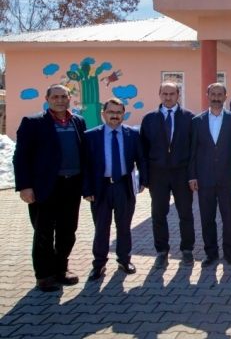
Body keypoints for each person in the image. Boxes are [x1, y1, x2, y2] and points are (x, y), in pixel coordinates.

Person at [13, 84, 87, 292]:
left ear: (70, 98)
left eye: (64, 96)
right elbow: (21, 157)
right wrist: (25, 186)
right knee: (44, 231)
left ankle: (61, 269)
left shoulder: (78, 121)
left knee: (67, 231)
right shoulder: (33, 123)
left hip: (72, 185)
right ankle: (44, 275)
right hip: (45, 187)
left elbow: (85, 153)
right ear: (47, 99)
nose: (60, 100)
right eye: (55, 96)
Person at [83, 98, 147, 281]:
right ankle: (99, 263)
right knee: (101, 227)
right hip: (100, 188)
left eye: (119, 112)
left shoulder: (132, 135)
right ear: (103, 114)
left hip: (123, 187)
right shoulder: (91, 136)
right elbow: (86, 165)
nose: (115, 116)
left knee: (124, 227)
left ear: (123, 114)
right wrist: (87, 190)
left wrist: (143, 180)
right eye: (111, 112)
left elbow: (141, 159)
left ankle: (124, 260)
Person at [139, 82, 195, 269]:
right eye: (165, 93)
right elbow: (143, 151)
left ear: (178, 94)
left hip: (182, 173)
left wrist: (193, 175)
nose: (168, 97)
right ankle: (161, 251)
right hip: (158, 174)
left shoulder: (189, 118)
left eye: (172, 93)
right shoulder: (149, 119)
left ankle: (187, 250)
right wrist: (145, 178)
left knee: (186, 213)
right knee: (158, 214)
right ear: (159, 94)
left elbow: (194, 150)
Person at [188, 83, 231, 267]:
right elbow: (192, 151)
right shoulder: (197, 121)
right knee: (207, 218)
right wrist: (192, 176)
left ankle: (229, 253)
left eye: (220, 94)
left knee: (229, 219)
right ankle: (211, 253)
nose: (216, 97)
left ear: (226, 97)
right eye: (213, 94)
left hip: (228, 180)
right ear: (207, 95)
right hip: (205, 179)